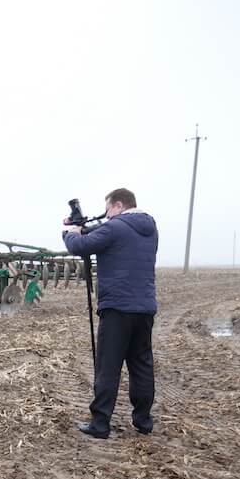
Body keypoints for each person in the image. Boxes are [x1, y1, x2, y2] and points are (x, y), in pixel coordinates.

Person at [62, 188, 159, 439]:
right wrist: (85, 227)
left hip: (117, 308)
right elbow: (106, 235)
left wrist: (71, 232)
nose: (106, 215)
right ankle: (143, 421)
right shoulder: (149, 228)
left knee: (108, 366)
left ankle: (100, 424)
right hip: (144, 309)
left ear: (118, 205)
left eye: (107, 210)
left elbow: (81, 246)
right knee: (141, 364)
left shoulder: (116, 227)